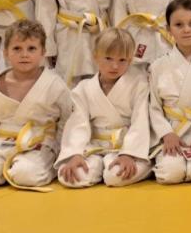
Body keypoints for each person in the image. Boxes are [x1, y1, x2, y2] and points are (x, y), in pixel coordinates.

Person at [0, 20, 73, 191]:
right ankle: (4, 168)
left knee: (25, 175)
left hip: (39, 143)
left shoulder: (54, 84)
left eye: (31, 49)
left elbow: (66, 119)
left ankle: (36, 168)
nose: (24, 54)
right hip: (2, 143)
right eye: (17, 49)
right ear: (5, 53)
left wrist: (60, 150)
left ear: (43, 52)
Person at [56, 29, 152, 188]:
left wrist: (128, 153)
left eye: (122, 60)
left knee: (115, 176)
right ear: (95, 56)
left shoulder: (139, 85)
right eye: (108, 58)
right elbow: (77, 124)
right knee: (70, 177)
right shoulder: (83, 88)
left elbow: (140, 122)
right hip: (94, 147)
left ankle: (123, 166)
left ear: (130, 60)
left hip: (126, 148)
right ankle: (99, 166)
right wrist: (75, 154)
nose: (115, 66)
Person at [148, 0, 191, 184]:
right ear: (168, 29)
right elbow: (154, 107)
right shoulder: (157, 66)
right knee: (170, 174)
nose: (186, 30)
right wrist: (166, 134)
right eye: (178, 25)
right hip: (172, 131)